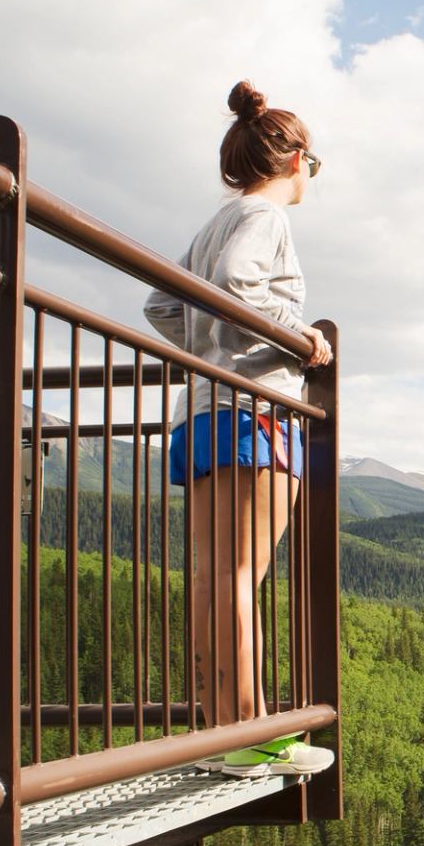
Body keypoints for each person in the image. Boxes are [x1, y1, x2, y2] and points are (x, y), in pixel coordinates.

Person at [144, 80, 334, 778]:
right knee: (242, 575)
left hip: (200, 413)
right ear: (296, 162)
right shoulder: (265, 219)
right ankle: (251, 730)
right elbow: (234, 280)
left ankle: (219, 730)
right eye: (313, 166)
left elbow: (162, 306)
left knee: (213, 576)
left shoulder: (211, 224)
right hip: (253, 412)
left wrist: (207, 350)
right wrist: (298, 339)